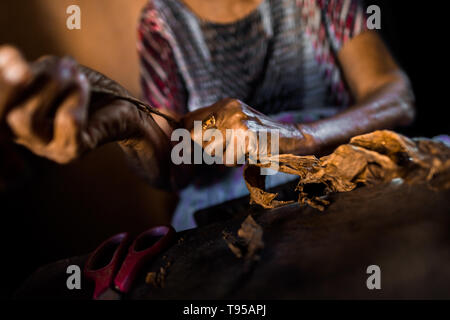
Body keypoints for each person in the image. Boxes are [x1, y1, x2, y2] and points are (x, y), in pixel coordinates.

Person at [0, 0, 415, 230]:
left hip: (345, 176)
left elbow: (395, 96)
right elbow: (174, 167)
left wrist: (296, 135)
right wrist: (132, 124)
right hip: (231, 212)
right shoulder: (162, 21)